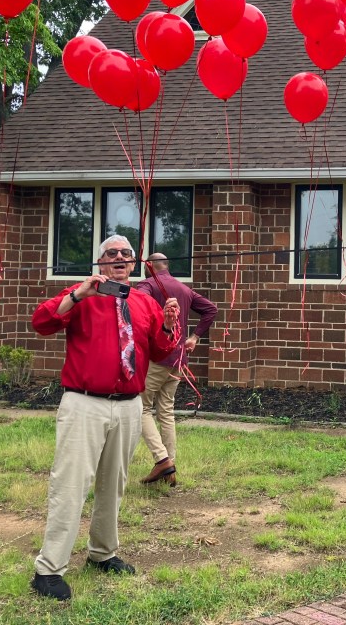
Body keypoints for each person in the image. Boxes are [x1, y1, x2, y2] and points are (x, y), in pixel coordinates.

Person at [29, 235, 180, 601]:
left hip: (129, 404)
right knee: (70, 485)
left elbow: (161, 349)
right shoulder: (82, 295)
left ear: (133, 264)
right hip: (84, 403)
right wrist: (78, 294)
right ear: (100, 261)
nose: (119, 258)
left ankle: (102, 553)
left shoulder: (144, 302)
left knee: (114, 483)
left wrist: (168, 324)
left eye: (126, 254)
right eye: (111, 253)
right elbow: (41, 322)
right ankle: (48, 570)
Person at [136, 252, 218, 487]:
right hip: (178, 361)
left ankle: (162, 460)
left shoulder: (147, 285)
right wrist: (194, 337)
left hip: (156, 360)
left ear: (150, 266)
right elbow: (211, 309)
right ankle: (169, 467)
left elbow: (136, 306)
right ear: (167, 265)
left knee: (141, 408)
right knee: (166, 411)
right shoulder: (184, 289)